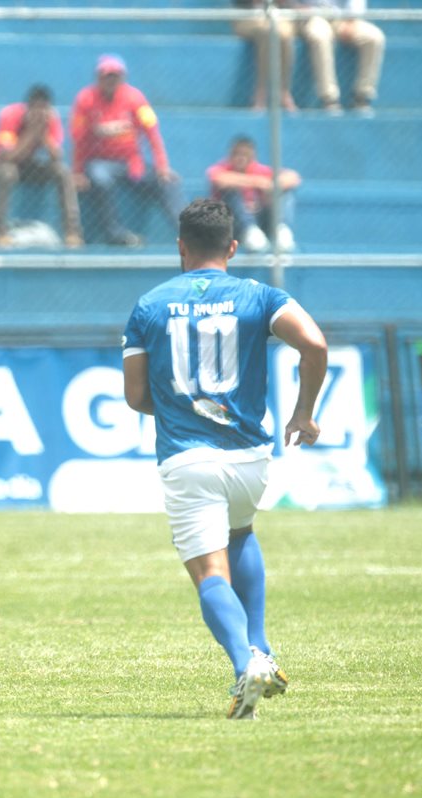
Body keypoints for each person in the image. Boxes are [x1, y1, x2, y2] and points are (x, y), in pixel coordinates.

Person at [121, 198, 328, 719]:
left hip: (188, 459)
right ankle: (261, 647)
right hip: (250, 457)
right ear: (233, 247)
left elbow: (135, 396)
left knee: (209, 572)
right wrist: (304, 413)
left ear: (181, 247)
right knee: (241, 533)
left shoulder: (149, 305)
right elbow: (315, 344)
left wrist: (179, 407)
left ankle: (245, 664)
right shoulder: (260, 295)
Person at [70, 54, 184, 247]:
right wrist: (78, 171)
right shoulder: (85, 99)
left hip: (131, 163)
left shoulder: (135, 98)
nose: (111, 81)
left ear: (122, 78)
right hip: (99, 162)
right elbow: (78, 137)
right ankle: (115, 234)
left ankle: (188, 231)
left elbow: (152, 132)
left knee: (167, 182)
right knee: (100, 178)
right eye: (107, 76)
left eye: (115, 76)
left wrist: (162, 166)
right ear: (98, 78)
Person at [0, 84, 83, 249]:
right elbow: (9, 156)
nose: (40, 113)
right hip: (2, 163)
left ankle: (72, 232)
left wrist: (43, 134)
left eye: (44, 109)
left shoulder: (51, 118)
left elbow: (57, 156)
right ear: (28, 107)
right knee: (7, 173)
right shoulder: (10, 115)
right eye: (36, 108)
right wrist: (31, 133)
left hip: (31, 165)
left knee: (62, 171)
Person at [206, 135, 300, 253]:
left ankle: (281, 231)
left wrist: (271, 187)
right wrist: (257, 182)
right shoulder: (222, 168)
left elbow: (293, 177)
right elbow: (218, 179)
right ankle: (250, 233)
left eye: (245, 154)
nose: (241, 158)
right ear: (230, 155)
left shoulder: (259, 170)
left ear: (252, 156)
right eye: (237, 154)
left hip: (260, 217)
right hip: (233, 223)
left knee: (285, 193)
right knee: (231, 192)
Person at [300, 0, 385, 115]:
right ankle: (329, 99)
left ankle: (362, 97)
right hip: (312, 16)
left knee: (374, 38)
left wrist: (351, 19)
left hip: (342, 17)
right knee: (320, 36)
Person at [231, 1, 297, 111]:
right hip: (247, 17)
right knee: (267, 32)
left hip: (276, 17)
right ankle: (261, 93)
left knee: (285, 35)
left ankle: (283, 91)